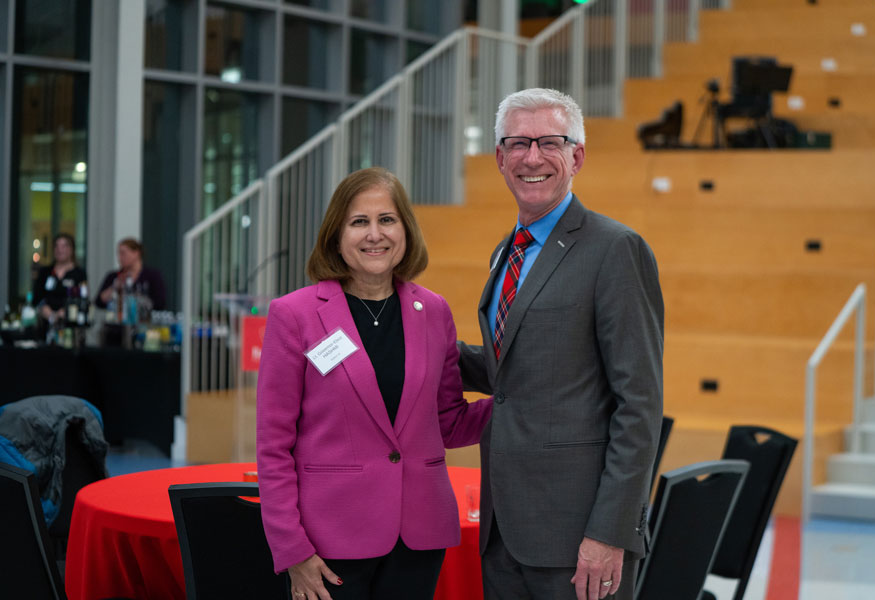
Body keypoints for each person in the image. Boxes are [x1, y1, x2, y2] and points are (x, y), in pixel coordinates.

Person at [457, 88, 664, 600]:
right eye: (518, 144)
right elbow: (513, 375)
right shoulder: (506, 252)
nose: (533, 158)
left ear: (578, 156)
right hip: (504, 529)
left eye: (550, 142)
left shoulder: (615, 249)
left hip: (579, 540)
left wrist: (609, 533)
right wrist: (417, 334)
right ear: (499, 158)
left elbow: (639, 406)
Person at [256, 167, 492, 600]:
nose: (374, 235)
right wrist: (291, 550)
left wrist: (519, 402)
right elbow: (273, 446)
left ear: (405, 229)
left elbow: (448, 422)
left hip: (419, 535)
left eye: (387, 219)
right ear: (336, 235)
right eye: (358, 221)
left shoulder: (433, 310)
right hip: (329, 540)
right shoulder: (295, 315)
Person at [94, 238, 166, 311]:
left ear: (136, 253)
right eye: (118, 254)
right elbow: (98, 302)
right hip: (117, 320)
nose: (119, 258)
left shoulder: (152, 276)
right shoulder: (113, 276)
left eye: (123, 253)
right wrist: (115, 286)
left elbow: (160, 303)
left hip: (144, 320)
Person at [32, 233, 88, 322]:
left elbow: (83, 298)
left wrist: (67, 310)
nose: (59, 250)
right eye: (56, 246)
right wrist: (43, 307)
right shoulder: (46, 272)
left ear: (71, 249)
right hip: (46, 323)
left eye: (64, 246)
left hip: (70, 323)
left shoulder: (79, 273)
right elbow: (36, 297)